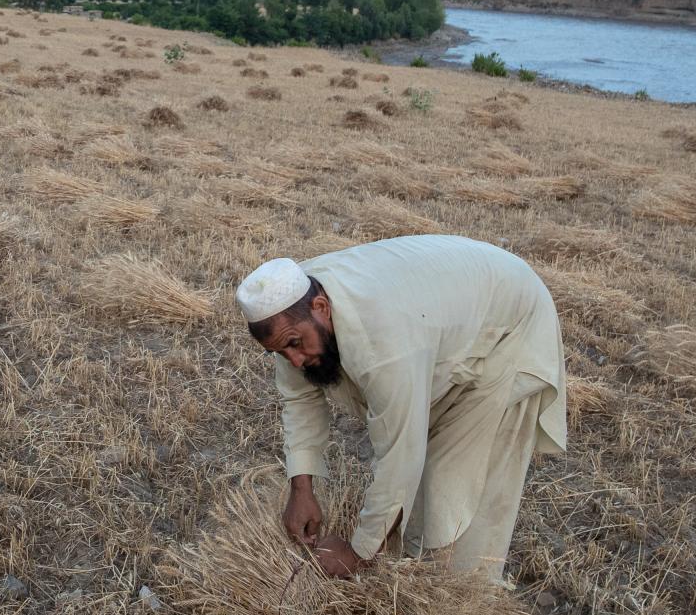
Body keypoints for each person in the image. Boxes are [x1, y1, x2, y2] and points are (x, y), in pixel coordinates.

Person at [238, 236, 568, 582]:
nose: (294, 360)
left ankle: (472, 593)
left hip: (510, 321)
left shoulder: (383, 342)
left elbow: (400, 454)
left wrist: (357, 553)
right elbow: (299, 400)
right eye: (280, 352)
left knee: (462, 482)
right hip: (444, 315)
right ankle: (415, 562)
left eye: (295, 345)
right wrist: (301, 489)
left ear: (321, 307)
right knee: (425, 486)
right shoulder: (288, 310)